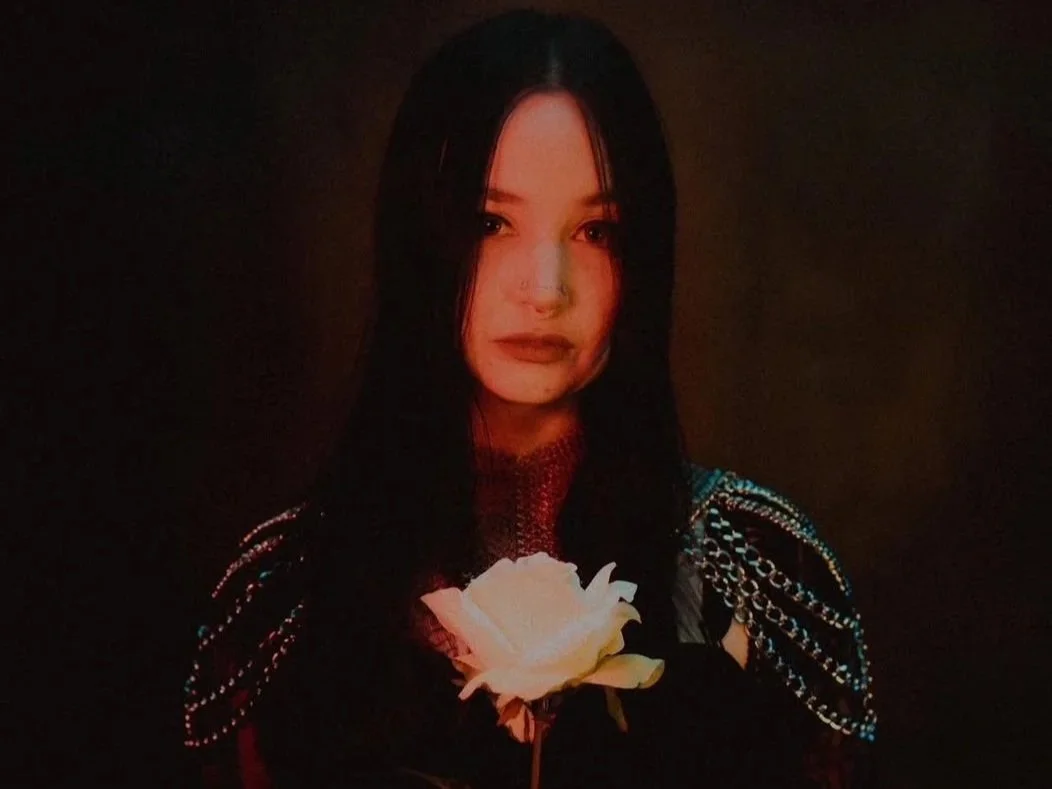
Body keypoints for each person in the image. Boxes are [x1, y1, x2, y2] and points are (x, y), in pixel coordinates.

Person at [182, 10, 877, 789]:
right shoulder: (286, 591)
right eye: (491, 222)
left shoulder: (759, 570)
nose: (546, 289)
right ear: (418, 237)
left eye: (596, 231)